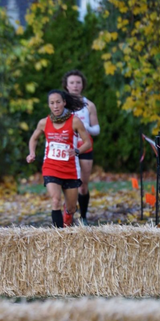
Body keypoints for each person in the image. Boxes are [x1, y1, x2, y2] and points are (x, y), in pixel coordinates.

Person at [26, 90, 91, 228]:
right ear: (49, 105)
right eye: (52, 103)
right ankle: (58, 234)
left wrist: (77, 151)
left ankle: (67, 218)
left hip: (70, 169)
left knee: (71, 208)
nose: (55, 106)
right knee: (55, 200)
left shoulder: (75, 121)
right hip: (51, 167)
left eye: (58, 102)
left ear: (64, 103)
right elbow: (34, 138)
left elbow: (88, 143)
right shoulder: (44, 122)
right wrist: (31, 153)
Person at [63, 70, 100, 225]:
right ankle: (68, 218)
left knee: (83, 186)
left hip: (85, 149)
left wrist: (84, 127)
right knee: (68, 185)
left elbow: (96, 129)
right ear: (66, 85)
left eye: (78, 82)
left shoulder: (89, 105)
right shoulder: (61, 103)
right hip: (67, 150)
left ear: (82, 85)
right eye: (72, 82)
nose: (75, 86)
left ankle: (83, 217)